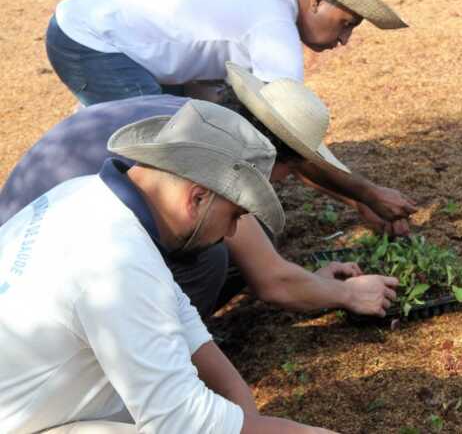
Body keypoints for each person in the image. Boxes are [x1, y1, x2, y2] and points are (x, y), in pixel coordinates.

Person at [0, 100, 337, 433]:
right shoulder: (115, 262)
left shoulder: (88, 197)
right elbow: (183, 423)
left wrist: (247, 413)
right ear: (198, 197)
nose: (232, 232)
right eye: (234, 215)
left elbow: (187, 326)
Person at [0, 65, 404, 320]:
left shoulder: (194, 117)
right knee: (213, 255)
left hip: (22, 237)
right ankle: (166, 357)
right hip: (41, 297)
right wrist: (346, 293)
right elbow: (273, 282)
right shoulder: (216, 164)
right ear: (268, 157)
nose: (284, 182)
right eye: (291, 169)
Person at [45, 0, 407, 105]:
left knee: (189, 124)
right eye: (346, 23)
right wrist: (364, 194)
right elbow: (287, 125)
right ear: (314, 0)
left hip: (126, 40)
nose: (345, 40)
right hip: (91, 39)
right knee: (155, 144)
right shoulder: (273, 23)